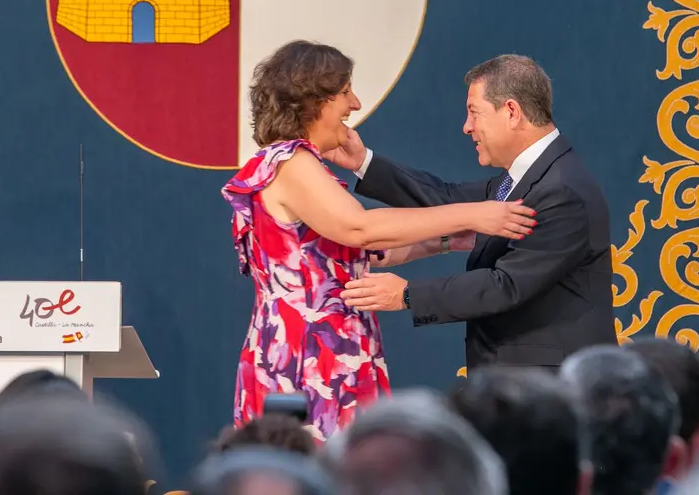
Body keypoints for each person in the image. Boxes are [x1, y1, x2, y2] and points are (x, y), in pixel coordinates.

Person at [221, 41, 537, 442]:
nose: (354, 104)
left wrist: (447, 241)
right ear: (313, 99)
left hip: (321, 347)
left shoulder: (294, 164)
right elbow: (361, 228)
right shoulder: (291, 163)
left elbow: (368, 251)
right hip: (305, 355)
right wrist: (473, 213)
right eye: (345, 92)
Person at [327, 54, 615, 370]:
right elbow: (446, 199)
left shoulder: (561, 190)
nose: (467, 127)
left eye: (473, 114)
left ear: (511, 112)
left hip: (551, 386)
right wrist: (362, 162)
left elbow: (507, 285)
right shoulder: (528, 178)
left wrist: (407, 294)